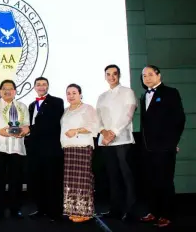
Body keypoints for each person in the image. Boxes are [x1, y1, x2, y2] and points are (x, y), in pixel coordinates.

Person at [139, 65, 185, 228]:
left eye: (150, 74)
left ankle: (166, 215)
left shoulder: (171, 93)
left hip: (165, 148)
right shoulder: (144, 96)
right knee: (151, 181)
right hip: (148, 149)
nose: (147, 78)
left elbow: (179, 120)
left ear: (159, 75)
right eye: (144, 76)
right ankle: (153, 212)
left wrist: (172, 143)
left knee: (165, 181)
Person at [0, 80, 30, 219]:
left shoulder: (22, 106)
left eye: (10, 88)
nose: (7, 91)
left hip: (17, 148)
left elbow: (27, 124)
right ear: (0, 91)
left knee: (16, 180)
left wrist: (25, 130)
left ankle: (15, 209)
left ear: (15, 91)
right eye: (4, 88)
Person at [96, 64, 138, 221]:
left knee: (127, 176)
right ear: (105, 76)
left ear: (119, 75)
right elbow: (97, 118)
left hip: (123, 140)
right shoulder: (102, 96)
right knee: (112, 177)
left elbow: (128, 115)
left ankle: (131, 211)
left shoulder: (128, 92)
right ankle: (115, 210)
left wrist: (112, 132)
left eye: (114, 74)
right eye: (108, 74)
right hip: (106, 142)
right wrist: (103, 131)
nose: (111, 77)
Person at [25, 77, 65, 221]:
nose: (41, 87)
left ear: (48, 86)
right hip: (35, 150)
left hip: (51, 149)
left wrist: (29, 128)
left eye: (44, 84)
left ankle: (55, 212)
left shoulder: (57, 102)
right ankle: (41, 209)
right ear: (34, 87)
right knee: (38, 181)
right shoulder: (31, 105)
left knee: (52, 181)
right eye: (38, 85)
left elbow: (51, 124)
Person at [61, 84, 98, 223]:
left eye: (74, 93)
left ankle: (85, 212)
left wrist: (76, 130)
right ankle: (73, 209)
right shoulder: (66, 111)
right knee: (71, 181)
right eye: (68, 93)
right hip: (68, 148)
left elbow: (93, 126)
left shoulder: (87, 108)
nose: (71, 96)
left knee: (83, 180)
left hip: (82, 147)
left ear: (80, 94)